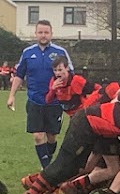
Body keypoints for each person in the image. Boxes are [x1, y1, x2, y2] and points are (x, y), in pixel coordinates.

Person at [7, 20, 73, 169]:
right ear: (35, 34)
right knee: (38, 136)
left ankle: (47, 165)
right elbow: (19, 75)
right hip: (35, 100)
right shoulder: (28, 53)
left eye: (46, 32)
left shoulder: (60, 52)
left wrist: (62, 86)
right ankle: (47, 169)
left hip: (55, 102)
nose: (43, 35)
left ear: (51, 34)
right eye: (40, 32)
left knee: (51, 137)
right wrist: (11, 96)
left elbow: (70, 74)